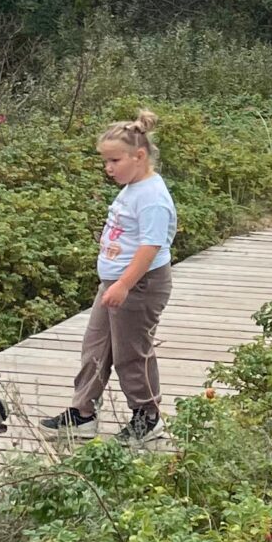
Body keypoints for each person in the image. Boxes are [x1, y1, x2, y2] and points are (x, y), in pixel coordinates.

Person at [41, 111, 179, 443]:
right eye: (106, 161)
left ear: (139, 156)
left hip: (139, 286)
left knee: (132, 352)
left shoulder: (152, 198)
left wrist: (124, 284)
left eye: (115, 160)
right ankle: (83, 413)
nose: (109, 167)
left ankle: (148, 416)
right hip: (115, 284)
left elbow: (150, 246)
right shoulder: (132, 188)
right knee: (96, 348)